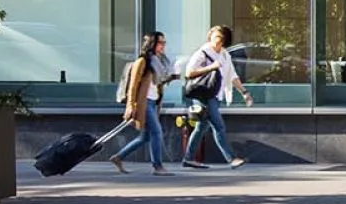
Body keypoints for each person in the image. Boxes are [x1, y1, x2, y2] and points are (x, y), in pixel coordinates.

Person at [179, 24, 249, 168]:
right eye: (214, 36)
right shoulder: (202, 53)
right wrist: (211, 67)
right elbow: (189, 73)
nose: (216, 40)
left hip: (216, 96)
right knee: (219, 126)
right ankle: (231, 158)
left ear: (225, 40)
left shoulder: (224, 55)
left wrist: (244, 92)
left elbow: (232, 76)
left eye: (220, 38)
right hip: (203, 95)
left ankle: (188, 158)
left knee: (201, 128)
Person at [106, 31, 172, 174]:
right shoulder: (142, 61)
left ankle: (118, 157)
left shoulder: (157, 61)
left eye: (164, 43)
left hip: (154, 102)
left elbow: (158, 83)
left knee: (145, 137)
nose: (163, 46)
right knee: (156, 132)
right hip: (144, 102)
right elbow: (133, 85)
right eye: (160, 43)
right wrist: (131, 105)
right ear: (152, 44)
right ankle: (158, 166)